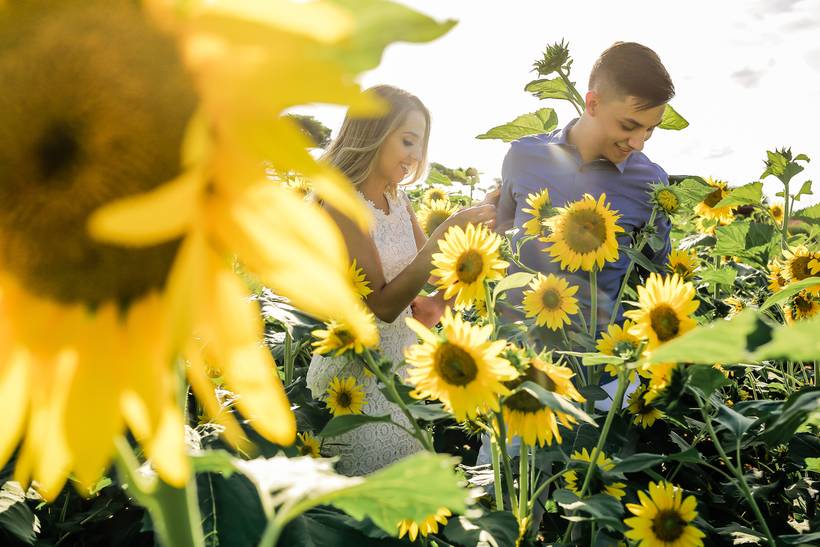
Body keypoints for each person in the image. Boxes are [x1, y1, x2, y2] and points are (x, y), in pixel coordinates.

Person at [306, 84, 497, 475]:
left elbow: (429, 273)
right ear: (372, 133)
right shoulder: (340, 203)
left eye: (420, 144)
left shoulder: (399, 201)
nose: (415, 156)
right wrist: (447, 230)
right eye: (408, 140)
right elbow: (383, 304)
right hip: (357, 378)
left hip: (401, 373)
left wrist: (471, 244)